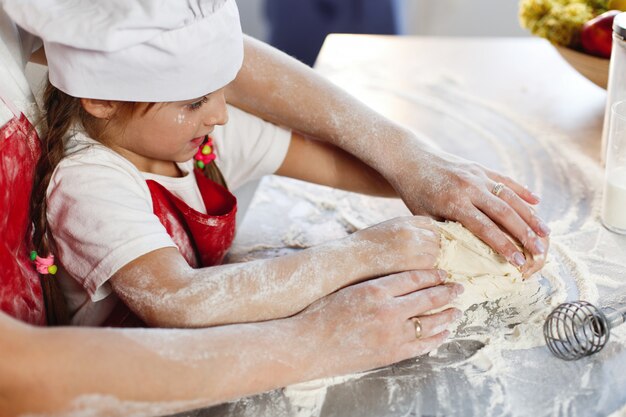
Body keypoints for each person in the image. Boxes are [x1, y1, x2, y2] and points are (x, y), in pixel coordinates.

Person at [0, 4, 463, 415]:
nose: (220, 113)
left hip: (207, 360)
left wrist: (429, 176)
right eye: (195, 100)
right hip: (127, 389)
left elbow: (335, 164)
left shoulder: (194, 139)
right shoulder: (88, 183)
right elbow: (179, 299)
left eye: (221, 90)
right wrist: (364, 253)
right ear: (101, 100)